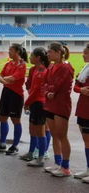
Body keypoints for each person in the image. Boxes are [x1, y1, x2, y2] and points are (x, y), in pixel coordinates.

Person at [0, 43, 27, 155]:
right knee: (2, 117)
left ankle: (15, 145)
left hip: (16, 95)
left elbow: (12, 78)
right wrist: (6, 80)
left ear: (17, 52)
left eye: (10, 50)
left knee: (15, 120)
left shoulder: (22, 65)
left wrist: (4, 80)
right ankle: (2, 143)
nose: (8, 52)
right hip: (6, 92)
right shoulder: (9, 63)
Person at [43, 43, 74, 177]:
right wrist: (46, 92)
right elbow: (44, 84)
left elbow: (59, 84)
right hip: (50, 103)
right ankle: (58, 163)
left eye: (50, 52)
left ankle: (66, 168)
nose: (48, 55)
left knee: (62, 136)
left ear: (58, 52)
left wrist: (50, 91)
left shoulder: (66, 67)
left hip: (61, 105)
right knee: (55, 135)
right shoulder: (51, 66)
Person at [22, 48, 49, 165]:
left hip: (39, 104)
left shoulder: (42, 71)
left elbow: (36, 91)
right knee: (34, 130)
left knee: (40, 132)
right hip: (35, 103)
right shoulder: (36, 70)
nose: (30, 57)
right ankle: (33, 153)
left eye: (32, 55)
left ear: (38, 58)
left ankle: (41, 158)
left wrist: (26, 102)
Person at [74, 44, 89, 182]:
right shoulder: (86, 68)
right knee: (86, 140)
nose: (83, 55)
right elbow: (76, 86)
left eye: (85, 53)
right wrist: (81, 90)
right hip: (83, 109)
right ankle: (88, 169)